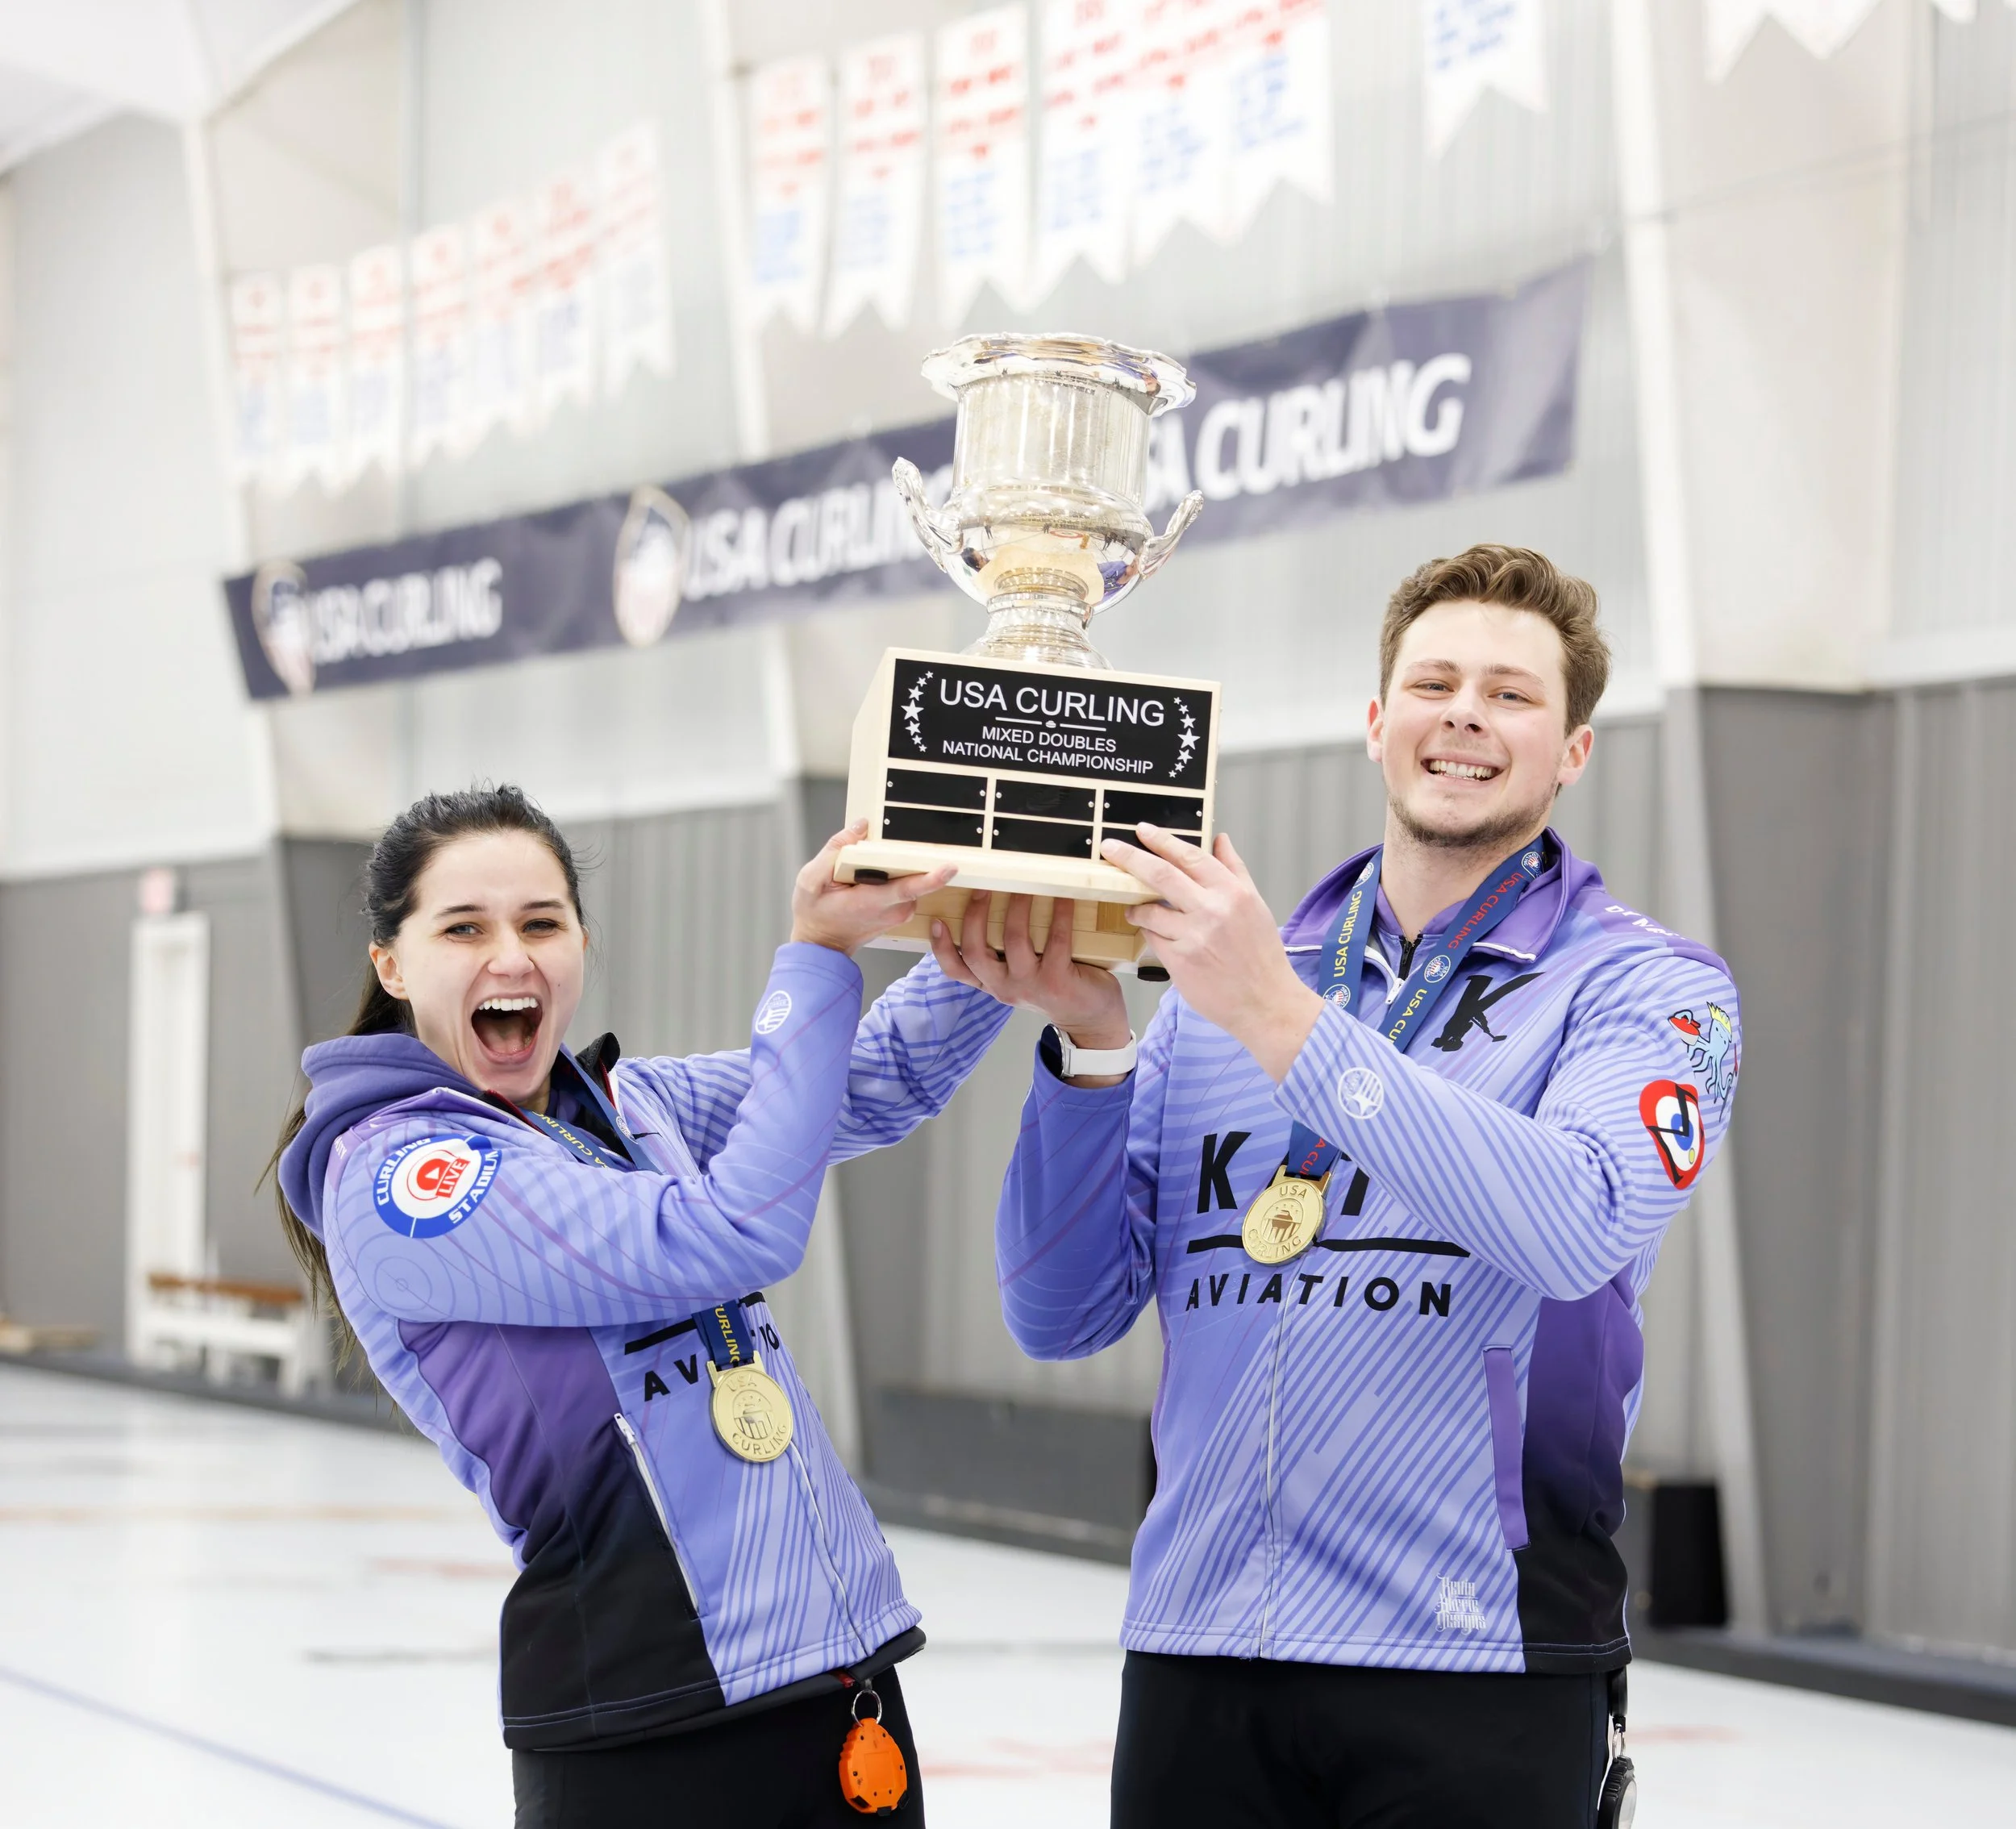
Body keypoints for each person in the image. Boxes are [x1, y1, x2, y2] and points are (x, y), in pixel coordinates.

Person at [931, 545, 1739, 1827]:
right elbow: (1059, 1314)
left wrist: (1282, 1020)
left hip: (1481, 1660)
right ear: (1376, 722)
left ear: (1573, 751)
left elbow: (1579, 1224)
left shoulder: (1647, 988)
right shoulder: (1232, 977)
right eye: (1434, 683)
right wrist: (1092, 1049)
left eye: (1512, 695)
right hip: (1199, 1652)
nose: (1465, 714)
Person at [274, 785, 1013, 1827]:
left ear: (582, 941)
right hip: (650, 1723)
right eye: (464, 928)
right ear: (391, 965)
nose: (511, 956)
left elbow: (873, 1081)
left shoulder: (636, 1106)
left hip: (838, 1679)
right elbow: (729, 1234)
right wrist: (815, 954)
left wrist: (1003, 927)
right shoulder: (406, 1176)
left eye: (542, 923)